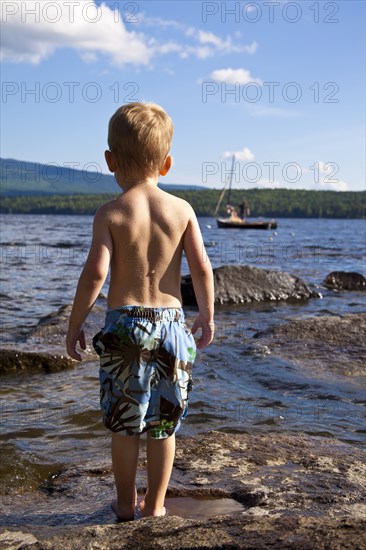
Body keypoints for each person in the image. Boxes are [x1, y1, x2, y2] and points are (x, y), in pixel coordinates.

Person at [66, 102, 215, 522]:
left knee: (124, 423)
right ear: (166, 164)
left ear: (110, 160)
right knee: (164, 425)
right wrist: (206, 315)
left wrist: (76, 322)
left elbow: (96, 273)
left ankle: (124, 504)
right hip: (171, 327)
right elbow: (202, 268)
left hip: (125, 328)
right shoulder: (182, 210)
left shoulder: (110, 213)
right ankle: (155, 506)